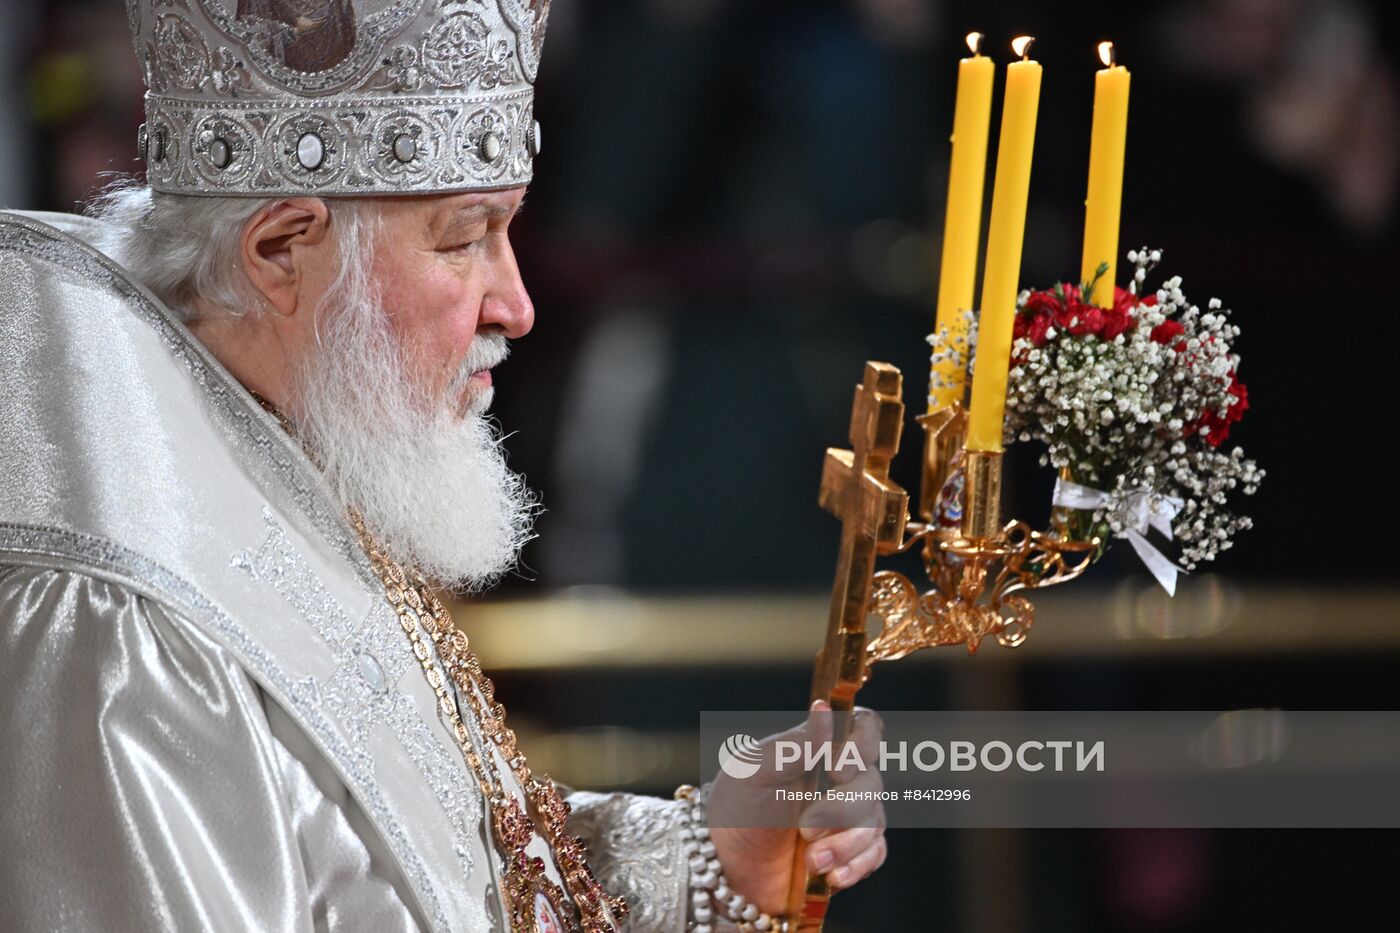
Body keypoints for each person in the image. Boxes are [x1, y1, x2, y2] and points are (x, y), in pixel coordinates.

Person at [0, 2, 886, 930]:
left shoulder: (281, 451)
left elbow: (427, 866)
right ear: (279, 252)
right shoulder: (119, 623)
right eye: (465, 239)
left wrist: (704, 864)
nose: (516, 305)